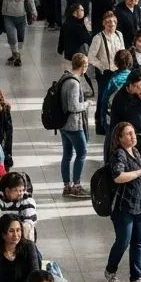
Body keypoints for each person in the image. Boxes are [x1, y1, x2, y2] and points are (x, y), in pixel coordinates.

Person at [104, 122, 141, 282]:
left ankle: (136, 278)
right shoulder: (119, 154)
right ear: (119, 138)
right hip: (123, 206)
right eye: (128, 134)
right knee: (123, 240)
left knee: (138, 242)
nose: (133, 136)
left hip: (139, 204)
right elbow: (118, 177)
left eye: (133, 133)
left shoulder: (134, 151)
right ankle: (110, 270)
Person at [59, 52, 92, 199]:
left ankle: (67, 186)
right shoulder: (74, 82)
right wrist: (87, 104)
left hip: (63, 124)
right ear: (83, 66)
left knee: (67, 154)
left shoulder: (65, 77)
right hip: (73, 125)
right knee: (82, 152)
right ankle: (76, 185)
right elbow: (73, 106)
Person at [88, 12, 126, 133]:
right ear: (104, 24)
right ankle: (100, 124)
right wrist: (102, 65)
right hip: (105, 73)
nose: (112, 25)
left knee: (117, 97)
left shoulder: (119, 35)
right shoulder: (98, 38)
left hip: (118, 71)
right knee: (103, 98)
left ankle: (115, 123)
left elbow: (123, 52)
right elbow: (90, 57)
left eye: (114, 23)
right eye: (109, 23)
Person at [0, 171, 38, 242]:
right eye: (16, 190)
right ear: (7, 191)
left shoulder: (27, 199)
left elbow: (29, 220)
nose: (20, 193)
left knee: (27, 227)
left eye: (21, 190)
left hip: (21, 237)